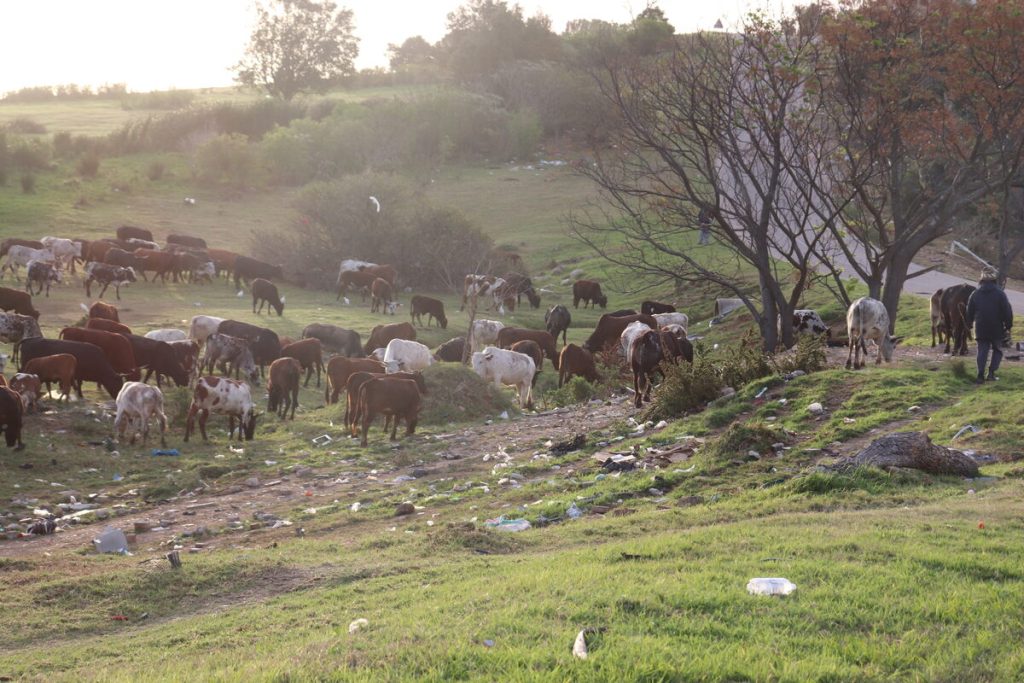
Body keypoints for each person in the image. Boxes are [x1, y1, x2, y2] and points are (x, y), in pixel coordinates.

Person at [965, 266, 1013, 383]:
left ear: (981, 279)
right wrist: (1008, 325)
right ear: (994, 279)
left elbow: (969, 310)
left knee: (982, 350)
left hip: (980, 327)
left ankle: (980, 375)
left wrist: (969, 323)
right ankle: (991, 373)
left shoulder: (975, 293)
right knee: (997, 350)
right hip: (996, 327)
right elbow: (1007, 310)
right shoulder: (1000, 294)